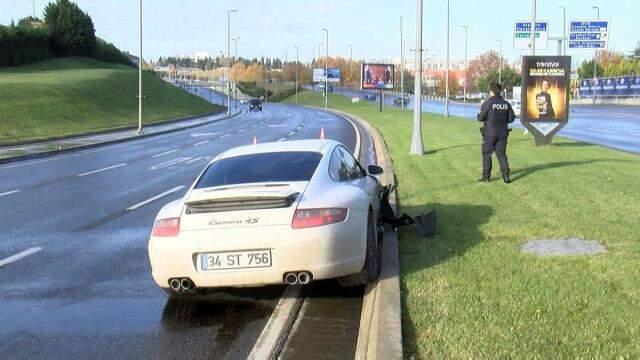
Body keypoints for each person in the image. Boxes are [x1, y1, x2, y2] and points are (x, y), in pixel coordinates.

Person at [477, 81, 516, 183]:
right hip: (503, 133)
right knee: (501, 154)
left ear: (491, 91)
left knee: (487, 154)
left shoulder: (488, 103)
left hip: (489, 133)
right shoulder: (506, 104)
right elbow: (511, 118)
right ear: (500, 91)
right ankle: (506, 176)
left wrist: (479, 114)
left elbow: (481, 118)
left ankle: (486, 176)